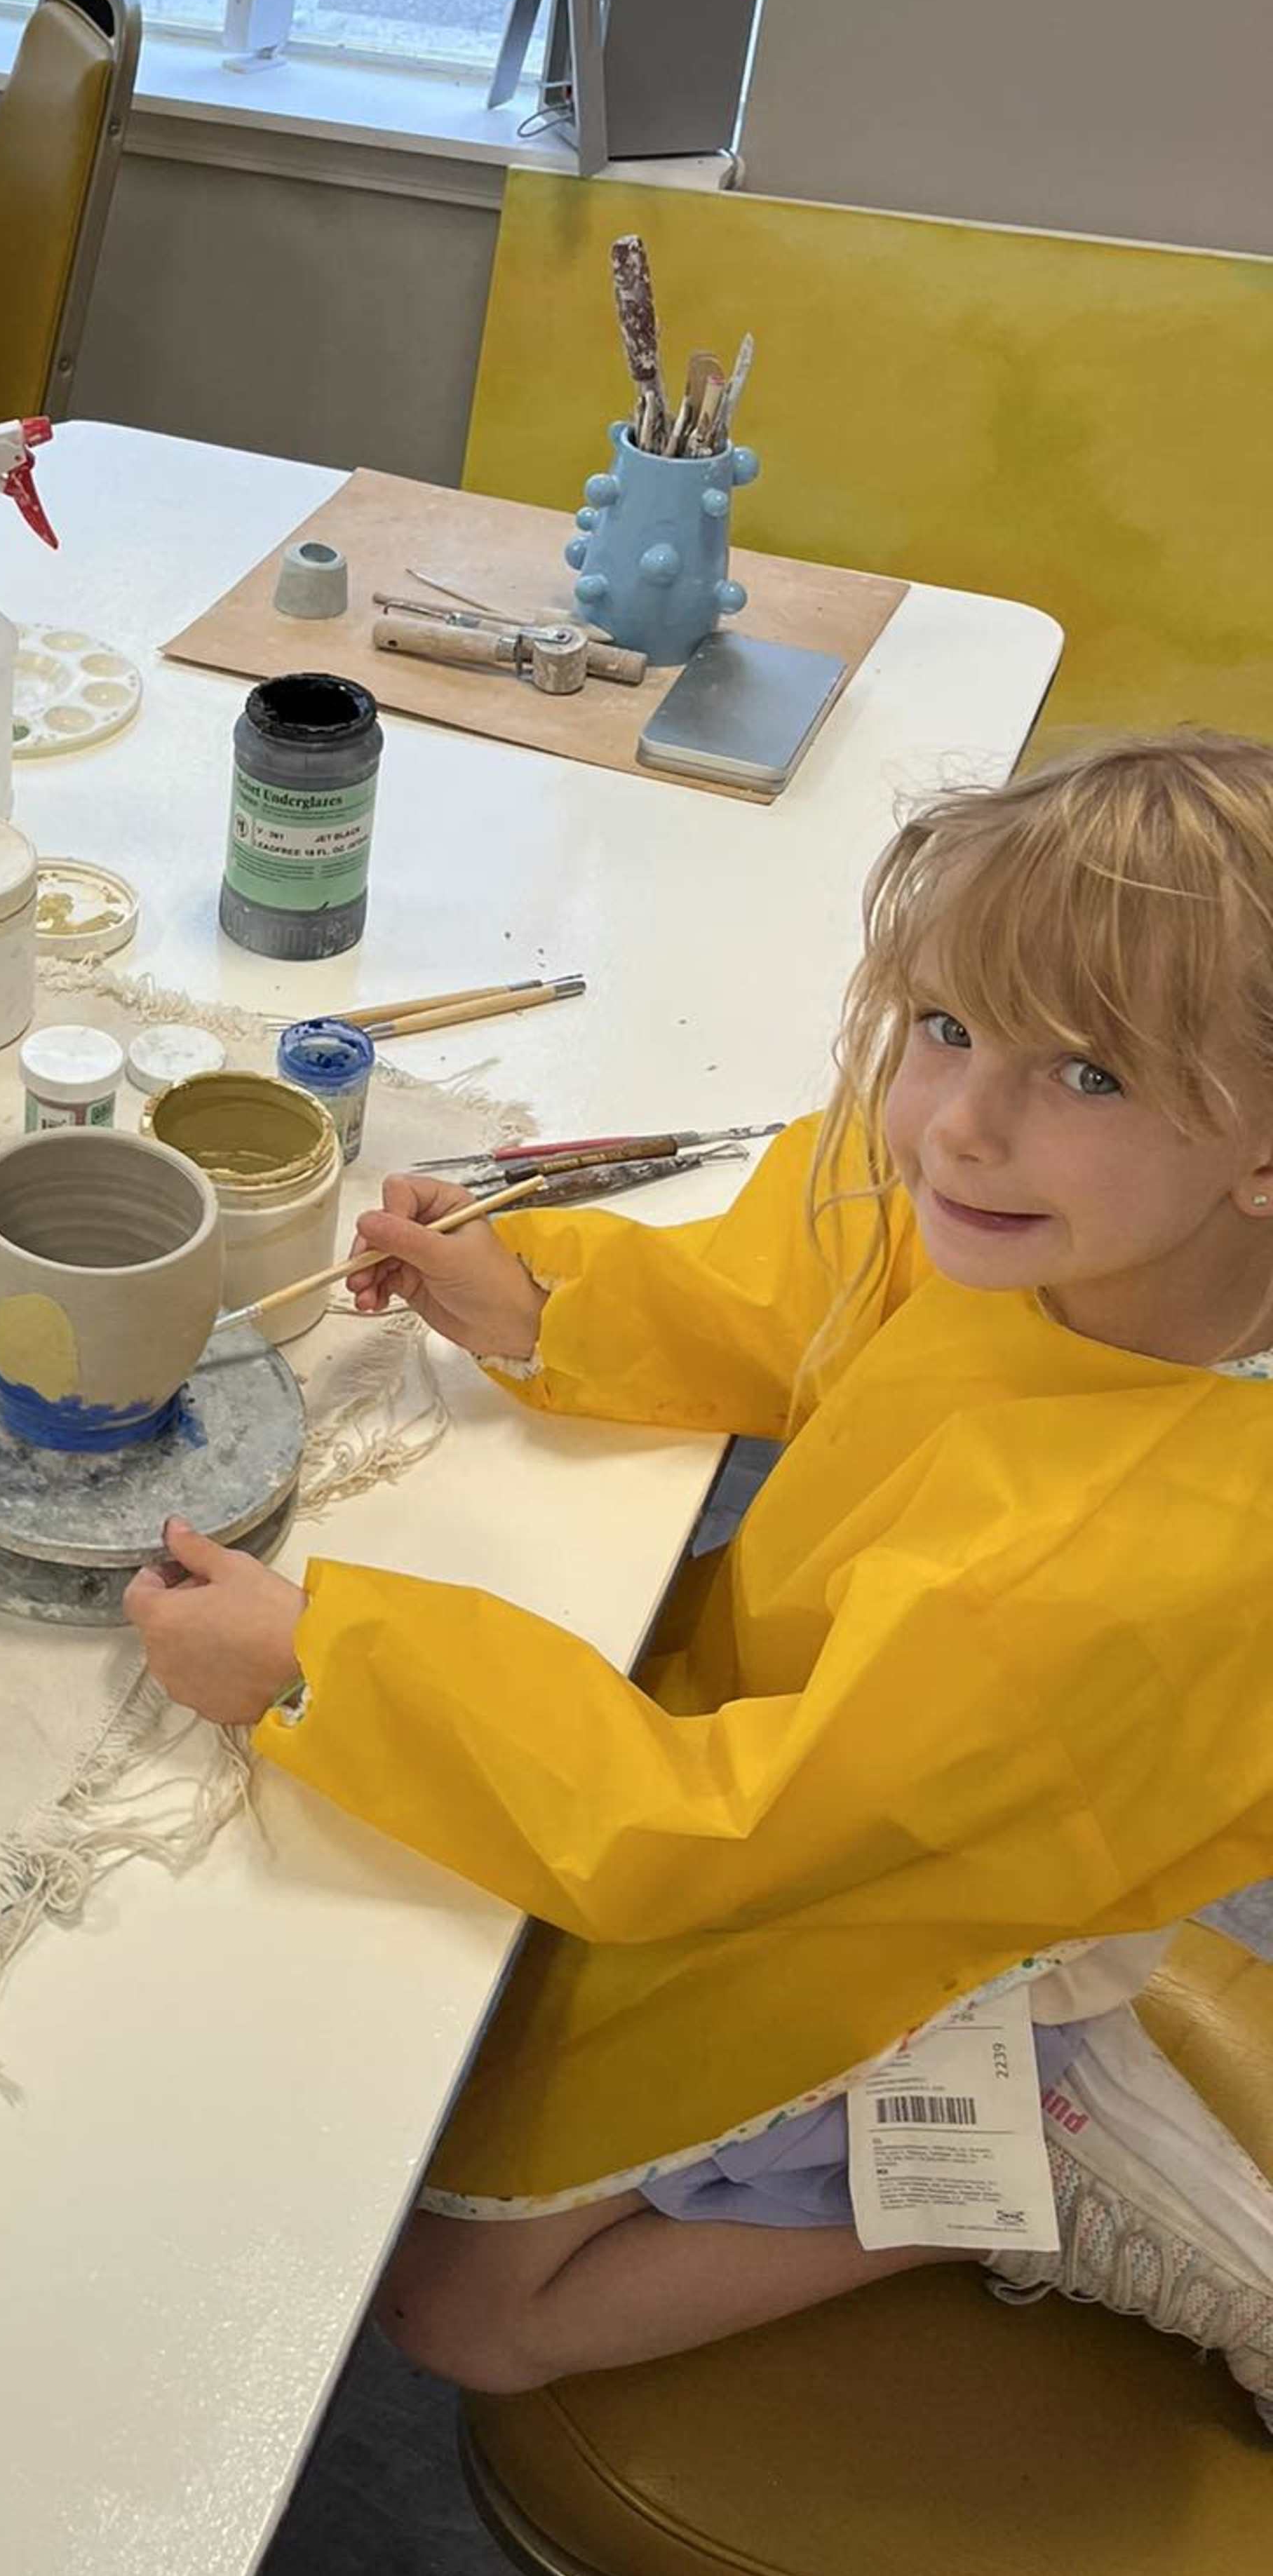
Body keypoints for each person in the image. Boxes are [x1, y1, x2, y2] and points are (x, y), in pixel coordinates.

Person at [126, 736, 1273, 2424]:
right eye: (947, 1027)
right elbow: (806, 1280)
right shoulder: (1050, 1218)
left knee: (462, 2308)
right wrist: (540, 1300)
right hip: (830, 1753)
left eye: (1088, 1075)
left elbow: (726, 1835)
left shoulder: (1119, 1571)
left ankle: (1013, 2154)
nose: (960, 1124)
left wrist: (324, 1668)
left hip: (900, 1884)